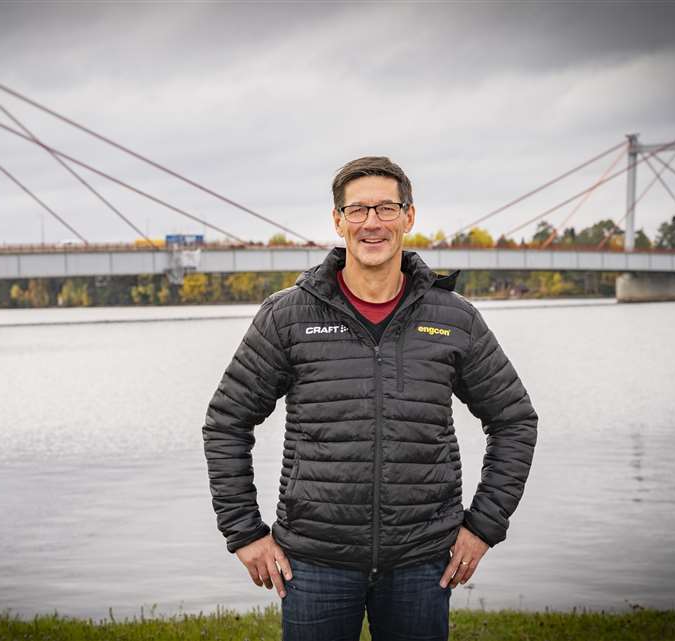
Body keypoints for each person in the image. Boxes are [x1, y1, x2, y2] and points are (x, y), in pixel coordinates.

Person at [203, 156, 538, 641]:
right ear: (338, 221)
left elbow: (515, 421)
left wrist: (484, 525)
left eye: (386, 208)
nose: (372, 223)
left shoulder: (453, 318)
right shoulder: (287, 317)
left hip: (422, 561)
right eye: (357, 210)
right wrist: (246, 533)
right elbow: (227, 423)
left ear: (409, 217)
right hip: (315, 563)